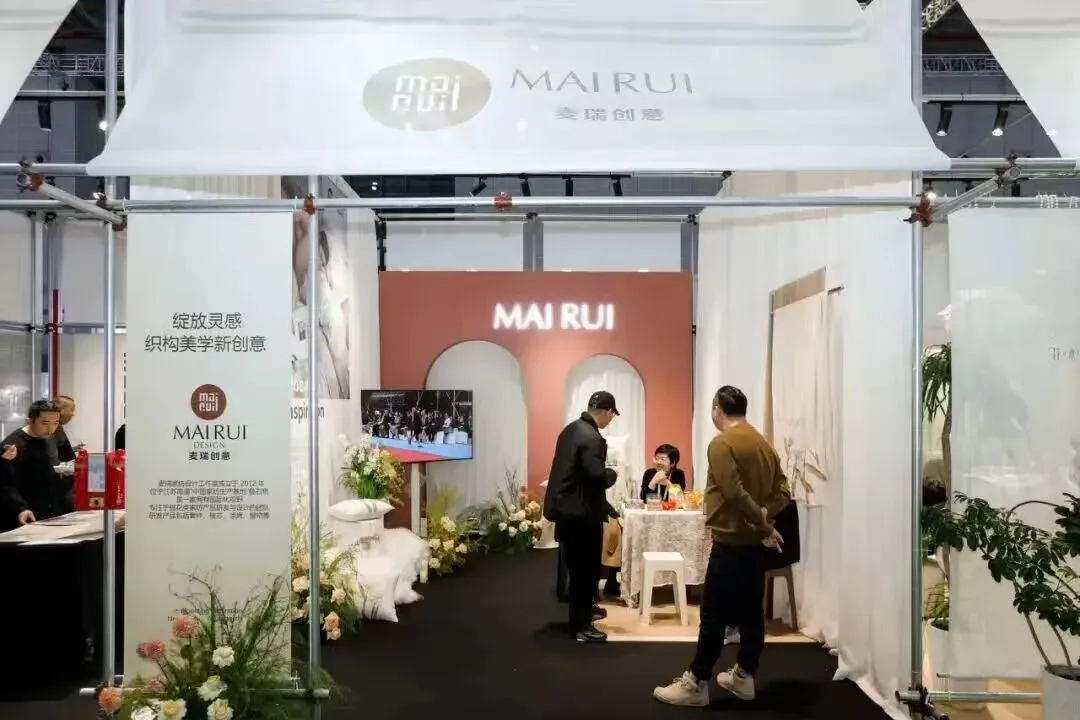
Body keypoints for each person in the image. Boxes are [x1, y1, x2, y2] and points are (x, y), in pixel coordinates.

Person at [653, 386, 791, 706]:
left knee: (713, 614)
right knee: (751, 613)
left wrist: (762, 523)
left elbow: (733, 492)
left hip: (730, 543)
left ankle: (696, 683)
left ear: (717, 409)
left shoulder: (721, 443)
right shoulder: (764, 444)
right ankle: (744, 676)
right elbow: (783, 492)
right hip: (753, 547)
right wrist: (763, 517)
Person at [543, 390, 619, 643]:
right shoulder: (592, 437)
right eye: (612, 415)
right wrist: (612, 474)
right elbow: (595, 476)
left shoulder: (571, 430)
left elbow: (575, 476)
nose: (611, 420)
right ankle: (581, 626)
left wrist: (605, 506)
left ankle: (583, 614)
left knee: (577, 570)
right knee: (586, 572)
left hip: (567, 511)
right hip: (581, 516)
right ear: (607, 412)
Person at [0, 399, 71, 530]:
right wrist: (20, 508)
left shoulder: (56, 434)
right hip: (24, 515)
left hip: (53, 511)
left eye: (55, 423)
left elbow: (67, 460)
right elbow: (5, 484)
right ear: (29, 421)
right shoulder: (12, 445)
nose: (50, 429)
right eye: (45, 423)